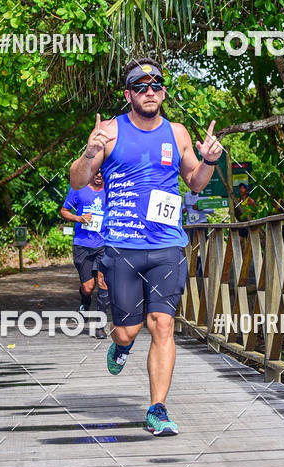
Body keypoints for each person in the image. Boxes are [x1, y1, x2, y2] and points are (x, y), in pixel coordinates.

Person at [69, 58, 223, 436]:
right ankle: (120, 346)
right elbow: (77, 179)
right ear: (128, 94)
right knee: (127, 330)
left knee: (163, 325)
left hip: (168, 245)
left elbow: (196, 184)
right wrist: (91, 151)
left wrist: (208, 162)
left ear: (164, 92)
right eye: (140, 86)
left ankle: (157, 409)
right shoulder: (110, 131)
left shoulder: (178, 132)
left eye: (156, 85)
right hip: (121, 246)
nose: (149, 91)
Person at [61, 169, 109, 339]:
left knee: (103, 282)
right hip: (82, 244)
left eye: (102, 172)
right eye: (95, 172)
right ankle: (85, 300)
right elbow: (64, 211)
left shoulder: (110, 190)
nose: (98, 175)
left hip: (104, 244)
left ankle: (100, 326)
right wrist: (78, 218)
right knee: (88, 287)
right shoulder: (78, 189)